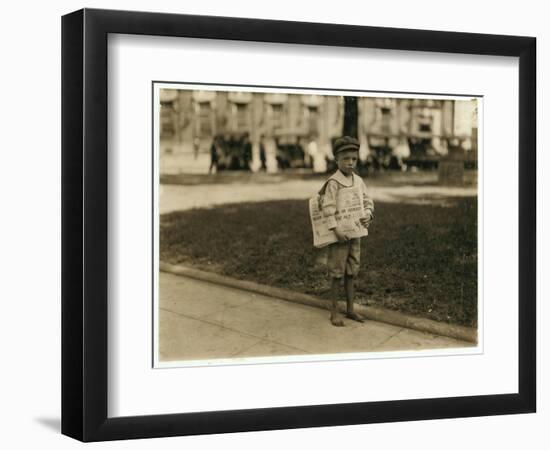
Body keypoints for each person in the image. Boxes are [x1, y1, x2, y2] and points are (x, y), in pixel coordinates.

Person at [318, 136, 374, 327]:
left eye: (354, 159)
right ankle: (334, 311)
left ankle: (350, 309)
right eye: (346, 158)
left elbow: (367, 201)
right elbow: (328, 207)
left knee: (352, 270)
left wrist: (368, 213)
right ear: (336, 160)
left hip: (355, 233)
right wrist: (335, 229)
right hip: (339, 235)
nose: (350, 163)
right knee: (337, 272)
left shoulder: (358, 181)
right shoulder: (334, 182)